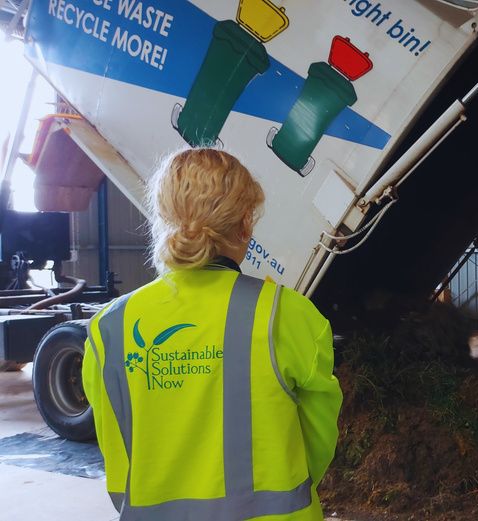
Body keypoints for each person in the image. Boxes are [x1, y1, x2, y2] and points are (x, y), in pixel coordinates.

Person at [82, 148, 342, 520]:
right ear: (245, 224)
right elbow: (318, 437)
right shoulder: (286, 315)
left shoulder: (109, 328)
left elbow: (116, 447)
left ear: (163, 218)